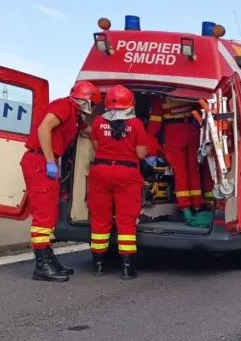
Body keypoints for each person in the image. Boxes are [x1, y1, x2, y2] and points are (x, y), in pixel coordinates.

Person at [21, 80, 101, 282]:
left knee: (49, 214)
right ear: (89, 101)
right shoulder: (64, 106)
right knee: (43, 216)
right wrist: (50, 161)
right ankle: (42, 265)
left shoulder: (74, 114)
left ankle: (47, 258)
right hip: (40, 161)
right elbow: (43, 129)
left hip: (43, 161)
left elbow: (89, 131)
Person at [88, 85, 148, 279]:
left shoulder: (97, 122)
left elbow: (96, 146)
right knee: (126, 221)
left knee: (100, 220)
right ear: (130, 103)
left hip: (100, 171)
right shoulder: (137, 124)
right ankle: (127, 267)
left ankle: (98, 264)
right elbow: (140, 153)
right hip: (126, 174)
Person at [147, 97, 210, 226]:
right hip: (192, 129)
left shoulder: (160, 95)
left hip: (174, 131)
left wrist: (148, 140)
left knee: (181, 172)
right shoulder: (188, 92)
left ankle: (185, 208)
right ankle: (197, 205)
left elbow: (155, 121)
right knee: (194, 171)